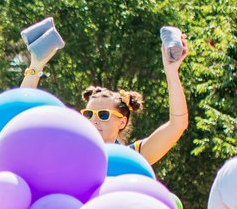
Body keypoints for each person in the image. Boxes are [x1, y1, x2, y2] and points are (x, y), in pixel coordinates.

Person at [78, 37, 190, 166]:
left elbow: (178, 125)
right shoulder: (69, 152)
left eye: (103, 114)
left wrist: (171, 72)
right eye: (89, 114)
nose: (94, 120)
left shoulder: (133, 157)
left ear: (122, 122)